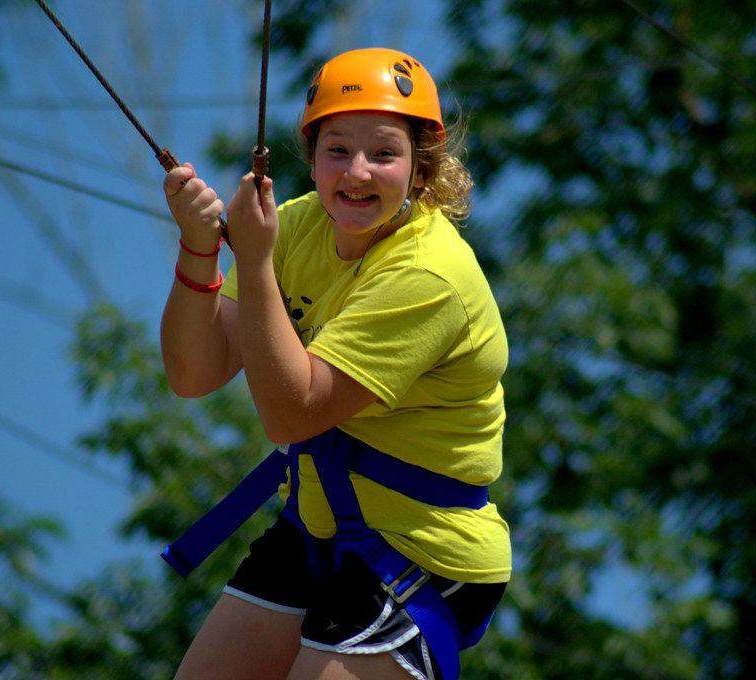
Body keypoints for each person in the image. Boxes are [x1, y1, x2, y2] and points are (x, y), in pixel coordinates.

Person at [160, 47, 510, 680]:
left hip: (423, 552)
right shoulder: (295, 230)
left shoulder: (429, 275)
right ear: (313, 158)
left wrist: (257, 264)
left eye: (384, 152)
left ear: (421, 171)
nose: (358, 171)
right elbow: (195, 374)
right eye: (337, 149)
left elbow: (293, 413)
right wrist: (199, 247)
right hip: (316, 526)